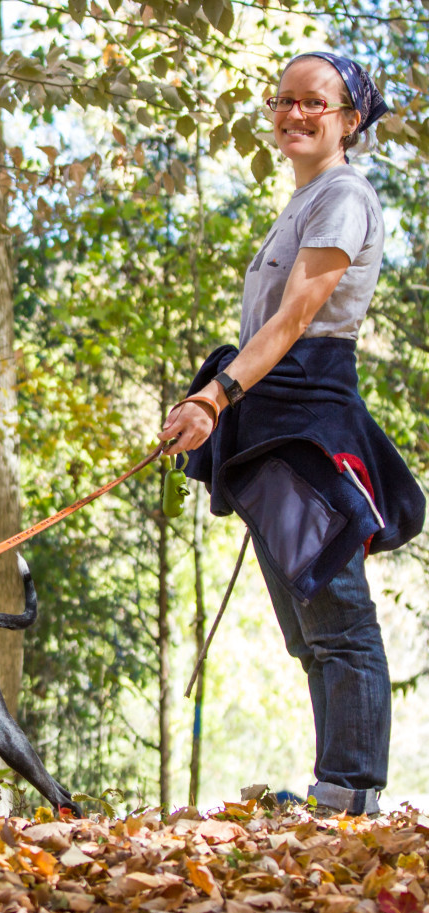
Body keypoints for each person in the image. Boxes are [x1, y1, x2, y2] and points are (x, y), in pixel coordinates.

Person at [158, 52, 425, 817]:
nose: (292, 113)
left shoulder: (343, 194)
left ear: (349, 120)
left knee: (337, 618)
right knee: (307, 630)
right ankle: (332, 790)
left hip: (306, 421)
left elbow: (295, 318)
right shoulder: (305, 200)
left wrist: (213, 396)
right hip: (267, 423)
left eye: (314, 102)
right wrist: (221, 404)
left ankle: (349, 796)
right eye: (282, 100)